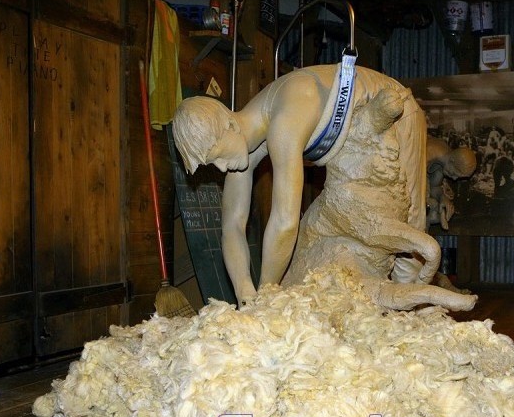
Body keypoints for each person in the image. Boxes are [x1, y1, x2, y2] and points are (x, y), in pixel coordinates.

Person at [173, 61, 427, 306]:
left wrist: (266, 295)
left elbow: (285, 222)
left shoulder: (284, 122)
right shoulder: (244, 143)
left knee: (408, 226)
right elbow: (232, 227)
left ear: (229, 124)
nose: (220, 168)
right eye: (212, 163)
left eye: (218, 157)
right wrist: (244, 291)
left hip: (397, 111)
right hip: (360, 142)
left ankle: (413, 317)